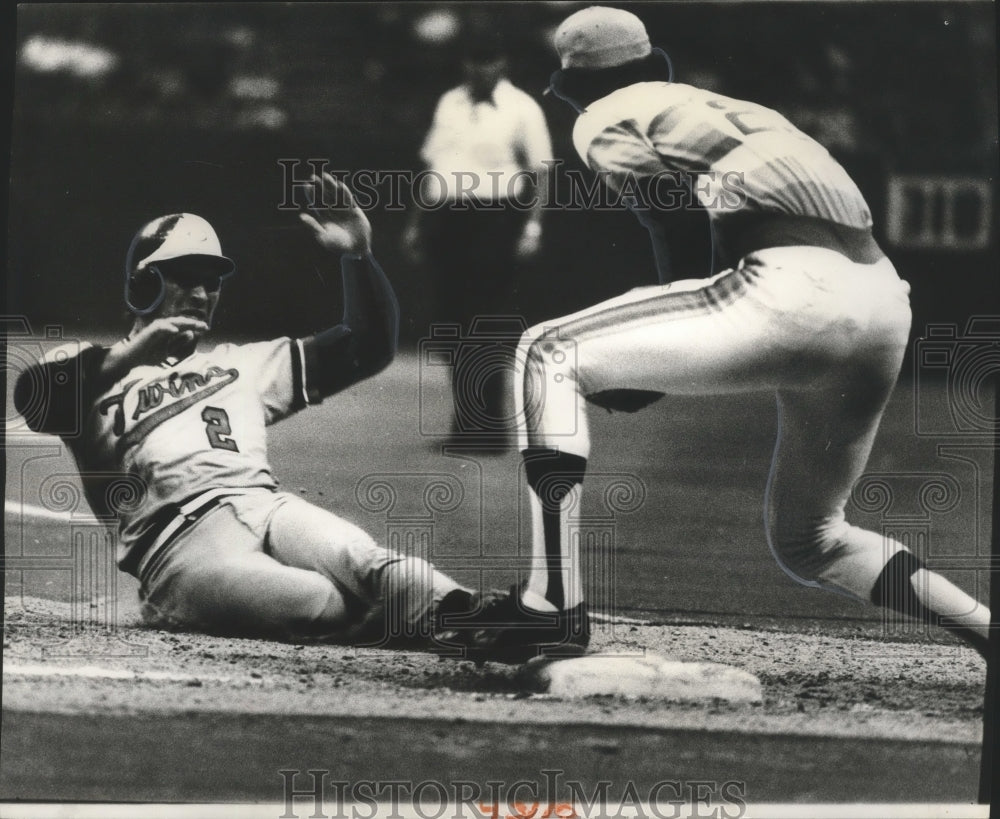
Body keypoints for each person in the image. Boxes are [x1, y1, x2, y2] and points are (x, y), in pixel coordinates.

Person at [458, 6, 991, 663]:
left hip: (793, 289)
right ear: (651, 63)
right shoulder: (748, 111)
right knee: (813, 539)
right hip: (883, 302)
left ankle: (551, 604)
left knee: (547, 351)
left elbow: (674, 221)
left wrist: (648, 366)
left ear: (578, 84)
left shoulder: (605, 113)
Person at [12, 173, 502, 651]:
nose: (204, 294)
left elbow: (367, 348)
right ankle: (440, 627)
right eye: (186, 278)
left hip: (265, 507)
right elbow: (35, 399)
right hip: (177, 552)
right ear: (143, 285)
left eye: (212, 282)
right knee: (321, 602)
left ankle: (484, 621)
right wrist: (131, 356)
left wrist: (358, 256)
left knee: (371, 563)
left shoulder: (241, 364)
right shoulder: (89, 371)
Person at [404, 34, 553, 448]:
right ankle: (466, 426)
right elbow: (434, 167)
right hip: (447, 217)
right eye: (473, 58)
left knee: (483, 324)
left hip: (495, 217)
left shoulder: (522, 108)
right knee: (451, 326)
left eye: (488, 59)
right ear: (464, 64)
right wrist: (418, 224)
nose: (480, 68)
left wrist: (532, 227)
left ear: (502, 63)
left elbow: (541, 172)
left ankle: (491, 429)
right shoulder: (449, 103)